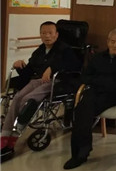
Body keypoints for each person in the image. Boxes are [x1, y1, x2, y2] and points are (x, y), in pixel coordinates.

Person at [63, 29, 116, 170]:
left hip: (115, 94)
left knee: (85, 111)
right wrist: (98, 81)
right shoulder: (98, 58)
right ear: (108, 42)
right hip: (96, 91)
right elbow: (85, 76)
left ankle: (81, 154)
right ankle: (79, 152)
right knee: (79, 110)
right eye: (113, 42)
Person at [1, 21, 79, 159]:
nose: (47, 36)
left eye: (50, 33)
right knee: (17, 97)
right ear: (40, 35)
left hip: (56, 82)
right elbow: (29, 71)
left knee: (28, 99)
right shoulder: (39, 51)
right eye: (44, 33)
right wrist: (19, 66)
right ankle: (5, 135)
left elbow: (74, 65)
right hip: (37, 81)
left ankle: (15, 135)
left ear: (56, 35)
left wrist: (52, 68)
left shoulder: (65, 49)